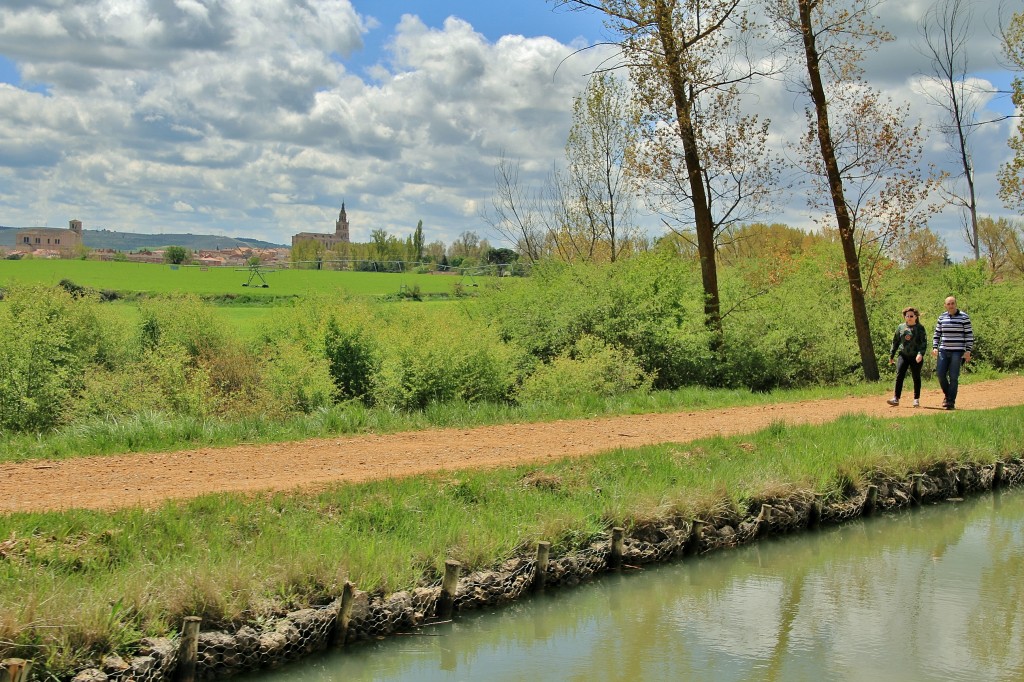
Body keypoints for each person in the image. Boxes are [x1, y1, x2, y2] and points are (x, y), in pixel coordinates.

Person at [932, 296, 974, 410]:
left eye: (953, 303)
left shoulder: (964, 317)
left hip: (957, 351)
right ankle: (948, 396)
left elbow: (969, 335)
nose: (951, 305)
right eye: (948, 304)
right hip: (943, 350)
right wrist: (935, 347)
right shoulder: (942, 317)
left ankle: (950, 401)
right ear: (945, 305)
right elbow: (937, 334)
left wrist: (968, 350)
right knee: (940, 374)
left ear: (956, 304)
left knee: (954, 376)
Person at [887, 306, 927, 407]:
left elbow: (923, 343)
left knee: (916, 376)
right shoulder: (901, 327)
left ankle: (916, 399)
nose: (909, 317)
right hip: (903, 355)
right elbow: (895, 341)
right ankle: (896, 398)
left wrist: (920, 354)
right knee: (899, 374)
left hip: (915, 356)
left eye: (911, 316)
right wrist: (891, 355)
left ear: (916, 317)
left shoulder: (920, 328)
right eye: (907, 315)